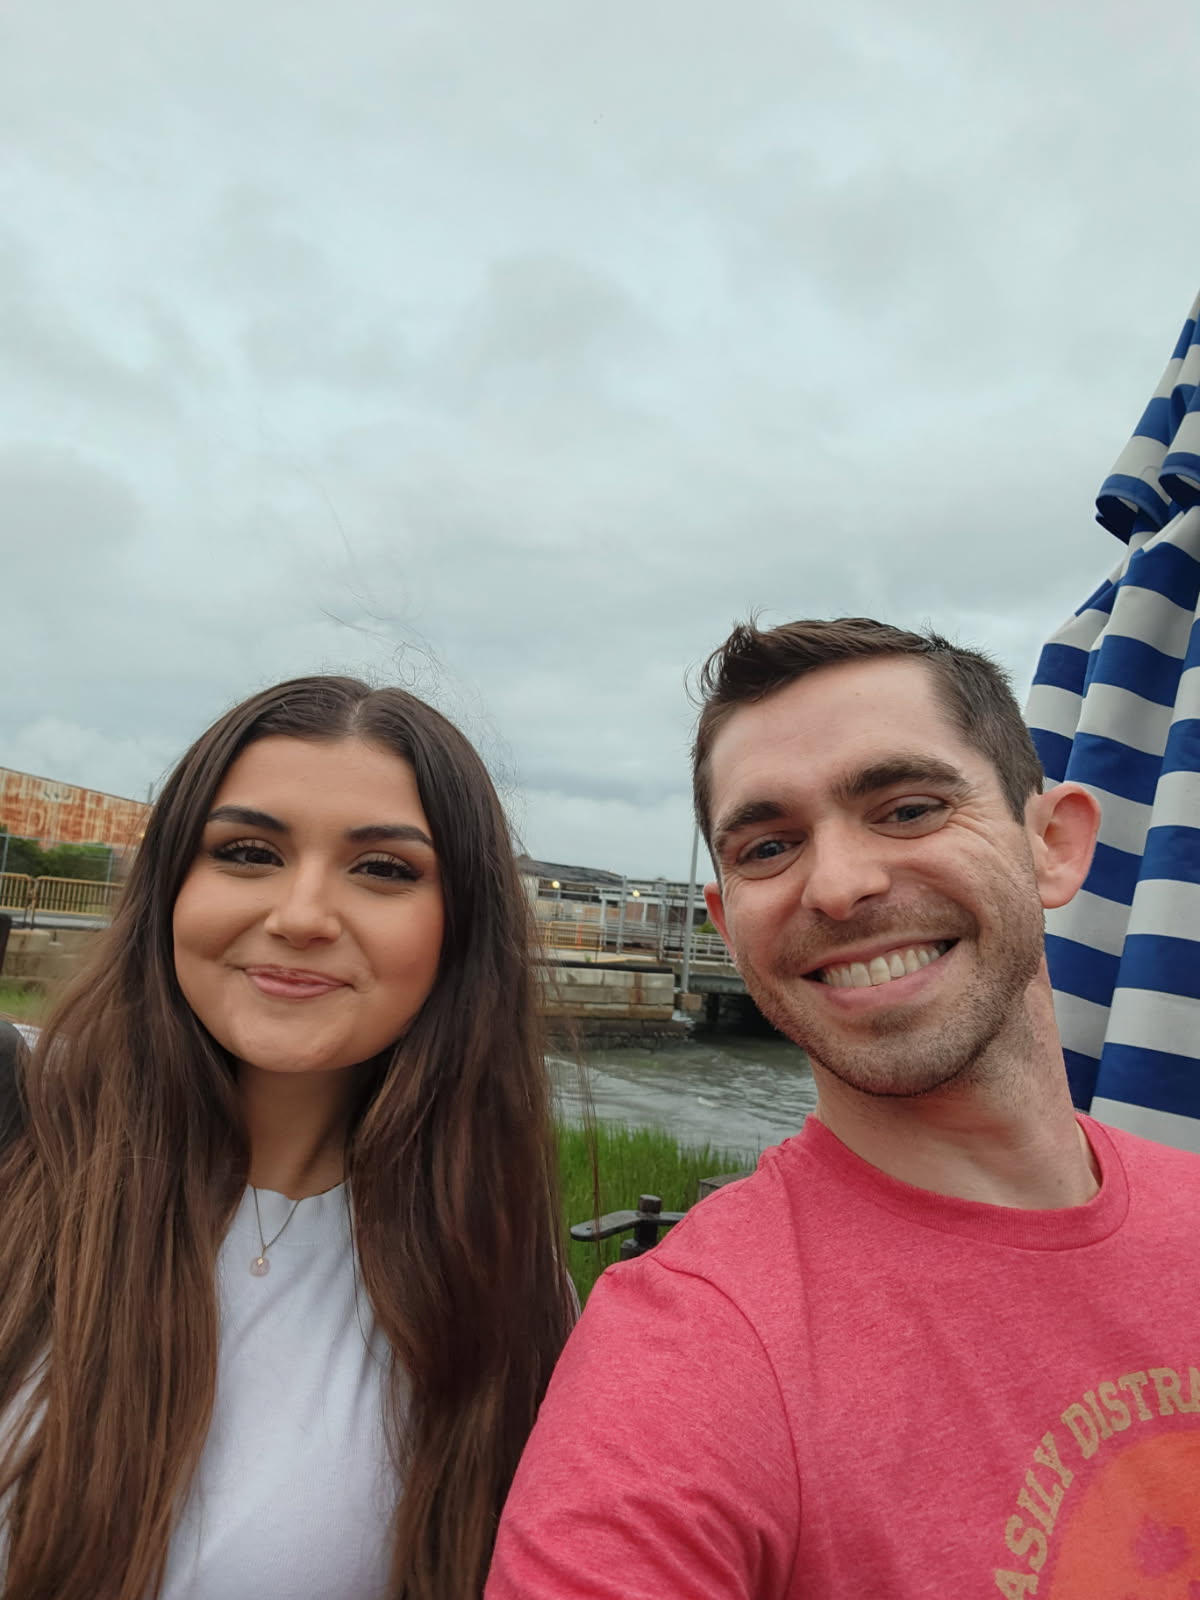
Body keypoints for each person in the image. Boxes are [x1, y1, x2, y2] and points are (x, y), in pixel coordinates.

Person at [487, 617, 1200, 1600]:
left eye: (907, 809)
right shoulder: (689, 1354)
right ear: (729, 924)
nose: (840, 884)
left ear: (1054, 845)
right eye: (771, 844)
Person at [0, 676, 574, 1600]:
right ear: (171, 890)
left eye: (384, 869)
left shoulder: (500, 1275)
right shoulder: (21, 1135)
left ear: (460, 929)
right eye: (248, 852)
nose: (302, 915)